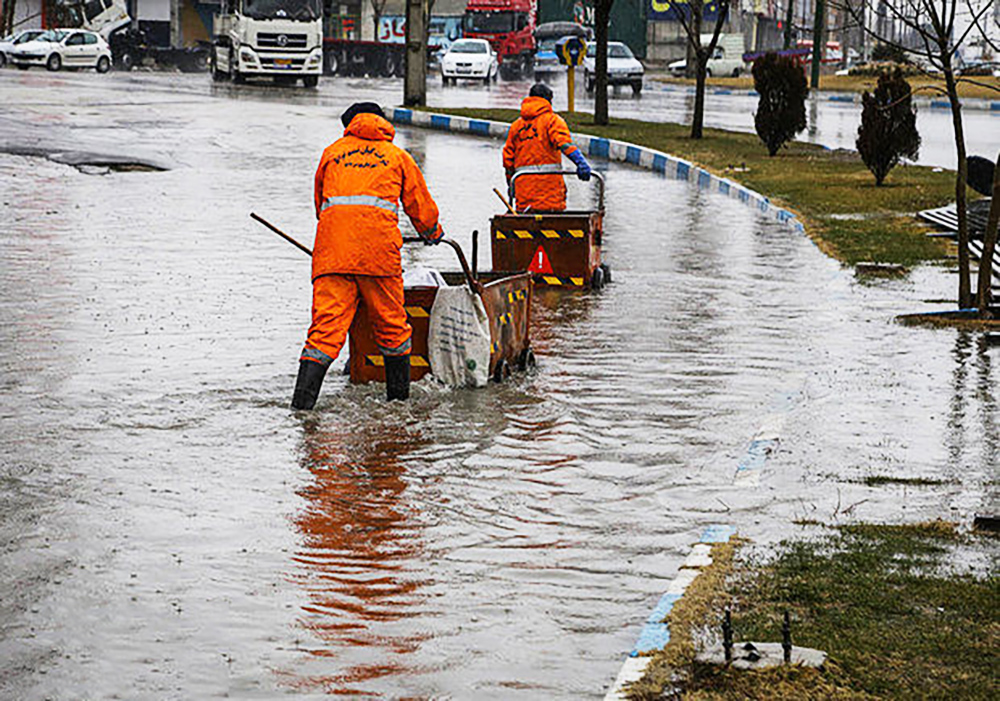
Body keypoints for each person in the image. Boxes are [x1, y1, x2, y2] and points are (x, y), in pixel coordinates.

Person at [291, 102, 444, 410]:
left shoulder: (332, 153)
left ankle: (301, 411)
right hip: (378, 257)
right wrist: (432, 233)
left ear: (349, 125)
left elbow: (321, 206)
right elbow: (420, 207)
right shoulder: (397, 157)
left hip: (333, 256)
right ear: (381, 122)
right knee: (392, 327)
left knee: (324, 333)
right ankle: (398, 406)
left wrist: (339, 240)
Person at [502, 83, 592, 212]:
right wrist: (580, 162)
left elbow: (508, 161)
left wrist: (511, 184)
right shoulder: (552, 121)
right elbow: (565, 144)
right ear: (548, 100)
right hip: (551, 196)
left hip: (524, 197)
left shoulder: (516, 127)